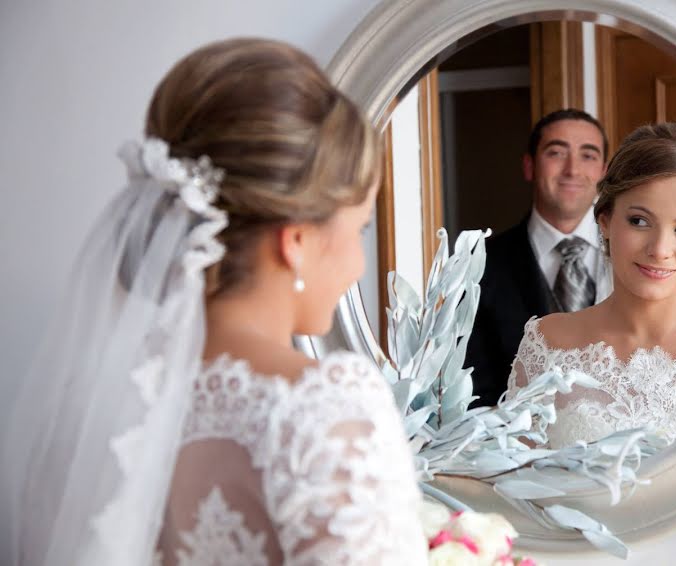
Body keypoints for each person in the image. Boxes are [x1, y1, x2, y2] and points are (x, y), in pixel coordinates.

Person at [3, 39, 427, 565]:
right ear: (294, 241)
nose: (358, 266)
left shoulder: (92, 413)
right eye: (359, 229)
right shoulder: (325, 408)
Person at [507, 122, 676, 448]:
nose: (659, 249)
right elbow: (517, 483)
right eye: (639, 221)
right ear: (605, 221)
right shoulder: (548, 345)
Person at [465, 109, 611, 408]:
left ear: (604, 172)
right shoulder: (479, 262)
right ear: (530, 166)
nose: (572, 170)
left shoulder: (633, 256)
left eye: (588, 155)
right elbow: (471, 384)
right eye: (556, 153)